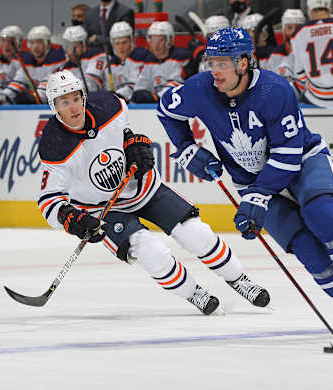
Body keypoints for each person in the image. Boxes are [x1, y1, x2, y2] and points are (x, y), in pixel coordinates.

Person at [156, 27, 333, 338]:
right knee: (308, 250)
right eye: (211, 62)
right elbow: (165, 109)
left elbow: (288, 153)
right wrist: (186, 147)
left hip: (302, 163)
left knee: (324, 217)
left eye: (222, 63)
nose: (214, 71)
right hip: (251, 181)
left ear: (244, 63)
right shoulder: (200, 88)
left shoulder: (274, 90)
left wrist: (258, 196)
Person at [37, 70, 270, 315]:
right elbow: (49, 200)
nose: (73, 107)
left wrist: (133, 143)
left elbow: (124, 132)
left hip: (143, 186)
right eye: (65, 102)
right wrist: (70, 219)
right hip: (105, 210)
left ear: (83, 97)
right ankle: (194, 293)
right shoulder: (54, 145)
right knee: (151, 251)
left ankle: (239, 279)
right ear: (54, 107)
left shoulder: (110, 106)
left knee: (196, 233)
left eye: (76, 99)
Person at [38, 25, 105, 101]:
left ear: (84, 45)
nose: (71, 51)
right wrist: (38, 95)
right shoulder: (66, 65)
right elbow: (50, 81)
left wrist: (62, 90)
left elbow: (90, 86)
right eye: (68, 47)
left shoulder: (97, 56)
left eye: (75, 46)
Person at [1, 25, 65, 104]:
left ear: (48, 44)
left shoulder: (57, 58)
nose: (35, 46)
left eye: (39, 42)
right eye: (32, 43)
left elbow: (50, 84)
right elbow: (19, 81)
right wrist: (2, 96)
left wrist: (34, 97)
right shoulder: (28, 61)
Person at [132, 22, 193, 103]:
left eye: (160, 40)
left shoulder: (180, 57)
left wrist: (158, 97)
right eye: (153, 40)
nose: (156, 45)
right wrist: (140, 93)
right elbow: (141, 85)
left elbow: (177, 83)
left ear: (170, 40)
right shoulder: (149, 61)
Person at [89, 21, 148, 101]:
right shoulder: (110, 64)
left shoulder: (140, 57)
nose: (121, 47)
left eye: (124, 42)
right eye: (117, 43)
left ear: (131, 41)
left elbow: (134, 87)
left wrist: (114, 96)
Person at [265, 9, 306, 96]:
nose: (293, 32)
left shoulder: (310, 54)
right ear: (283, 30)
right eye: (289, 28)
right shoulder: (275, 55)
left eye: (298, 27)